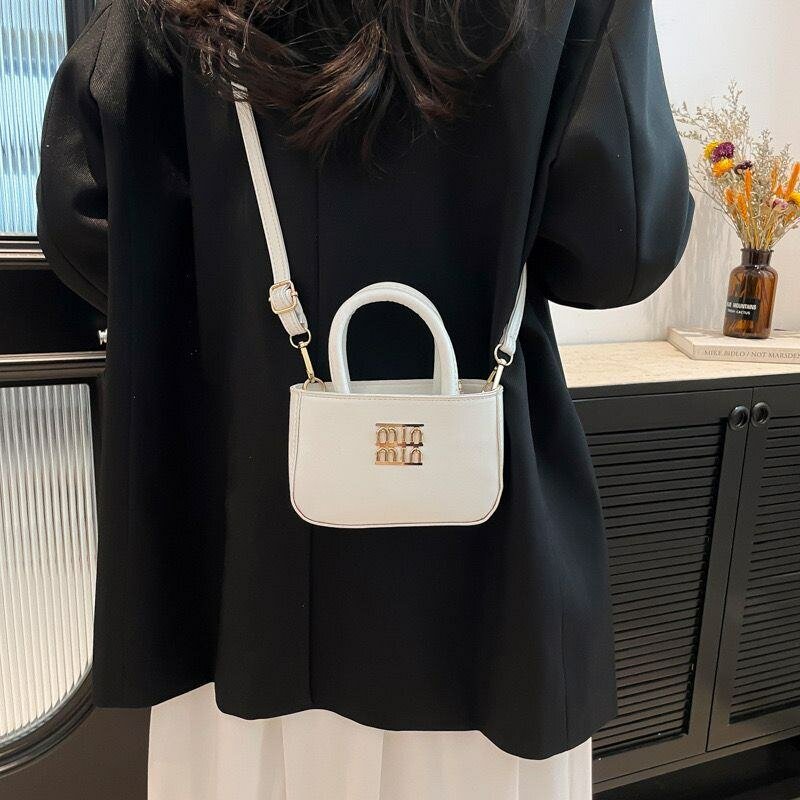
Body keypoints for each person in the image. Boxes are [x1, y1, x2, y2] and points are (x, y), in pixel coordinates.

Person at [37, 0, 693, 797]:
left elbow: (83, 219)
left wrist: (224, 300)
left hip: (245, 576)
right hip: (483, 594)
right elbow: (622, 251)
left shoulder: (160, 13)